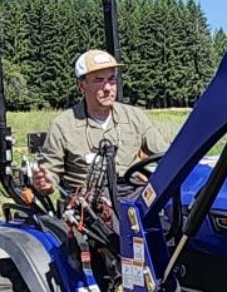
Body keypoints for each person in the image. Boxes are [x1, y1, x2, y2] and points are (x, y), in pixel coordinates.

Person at [32, 49, 169, 196]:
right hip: (89, 203)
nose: (108, 88)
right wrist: (45, 182)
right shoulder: (62, 125)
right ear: (81, 85)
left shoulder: (134, 116)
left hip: (133, 194)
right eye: (99, 81)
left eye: (111, 80)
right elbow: (50, 173)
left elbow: (165, 155)